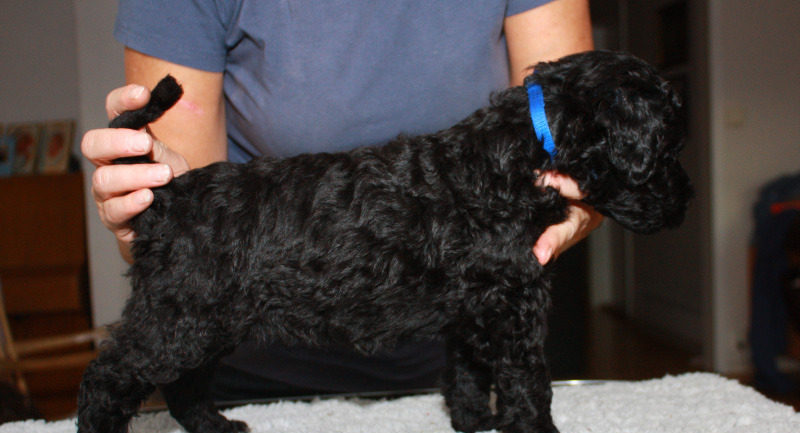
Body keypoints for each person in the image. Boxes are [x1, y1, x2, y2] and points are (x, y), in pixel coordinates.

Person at [82, 0, 602, 400]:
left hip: (461, 344)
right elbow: (189, 234)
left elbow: (576, 132)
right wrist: (154, 207)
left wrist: (580, 199)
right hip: (253, 351)